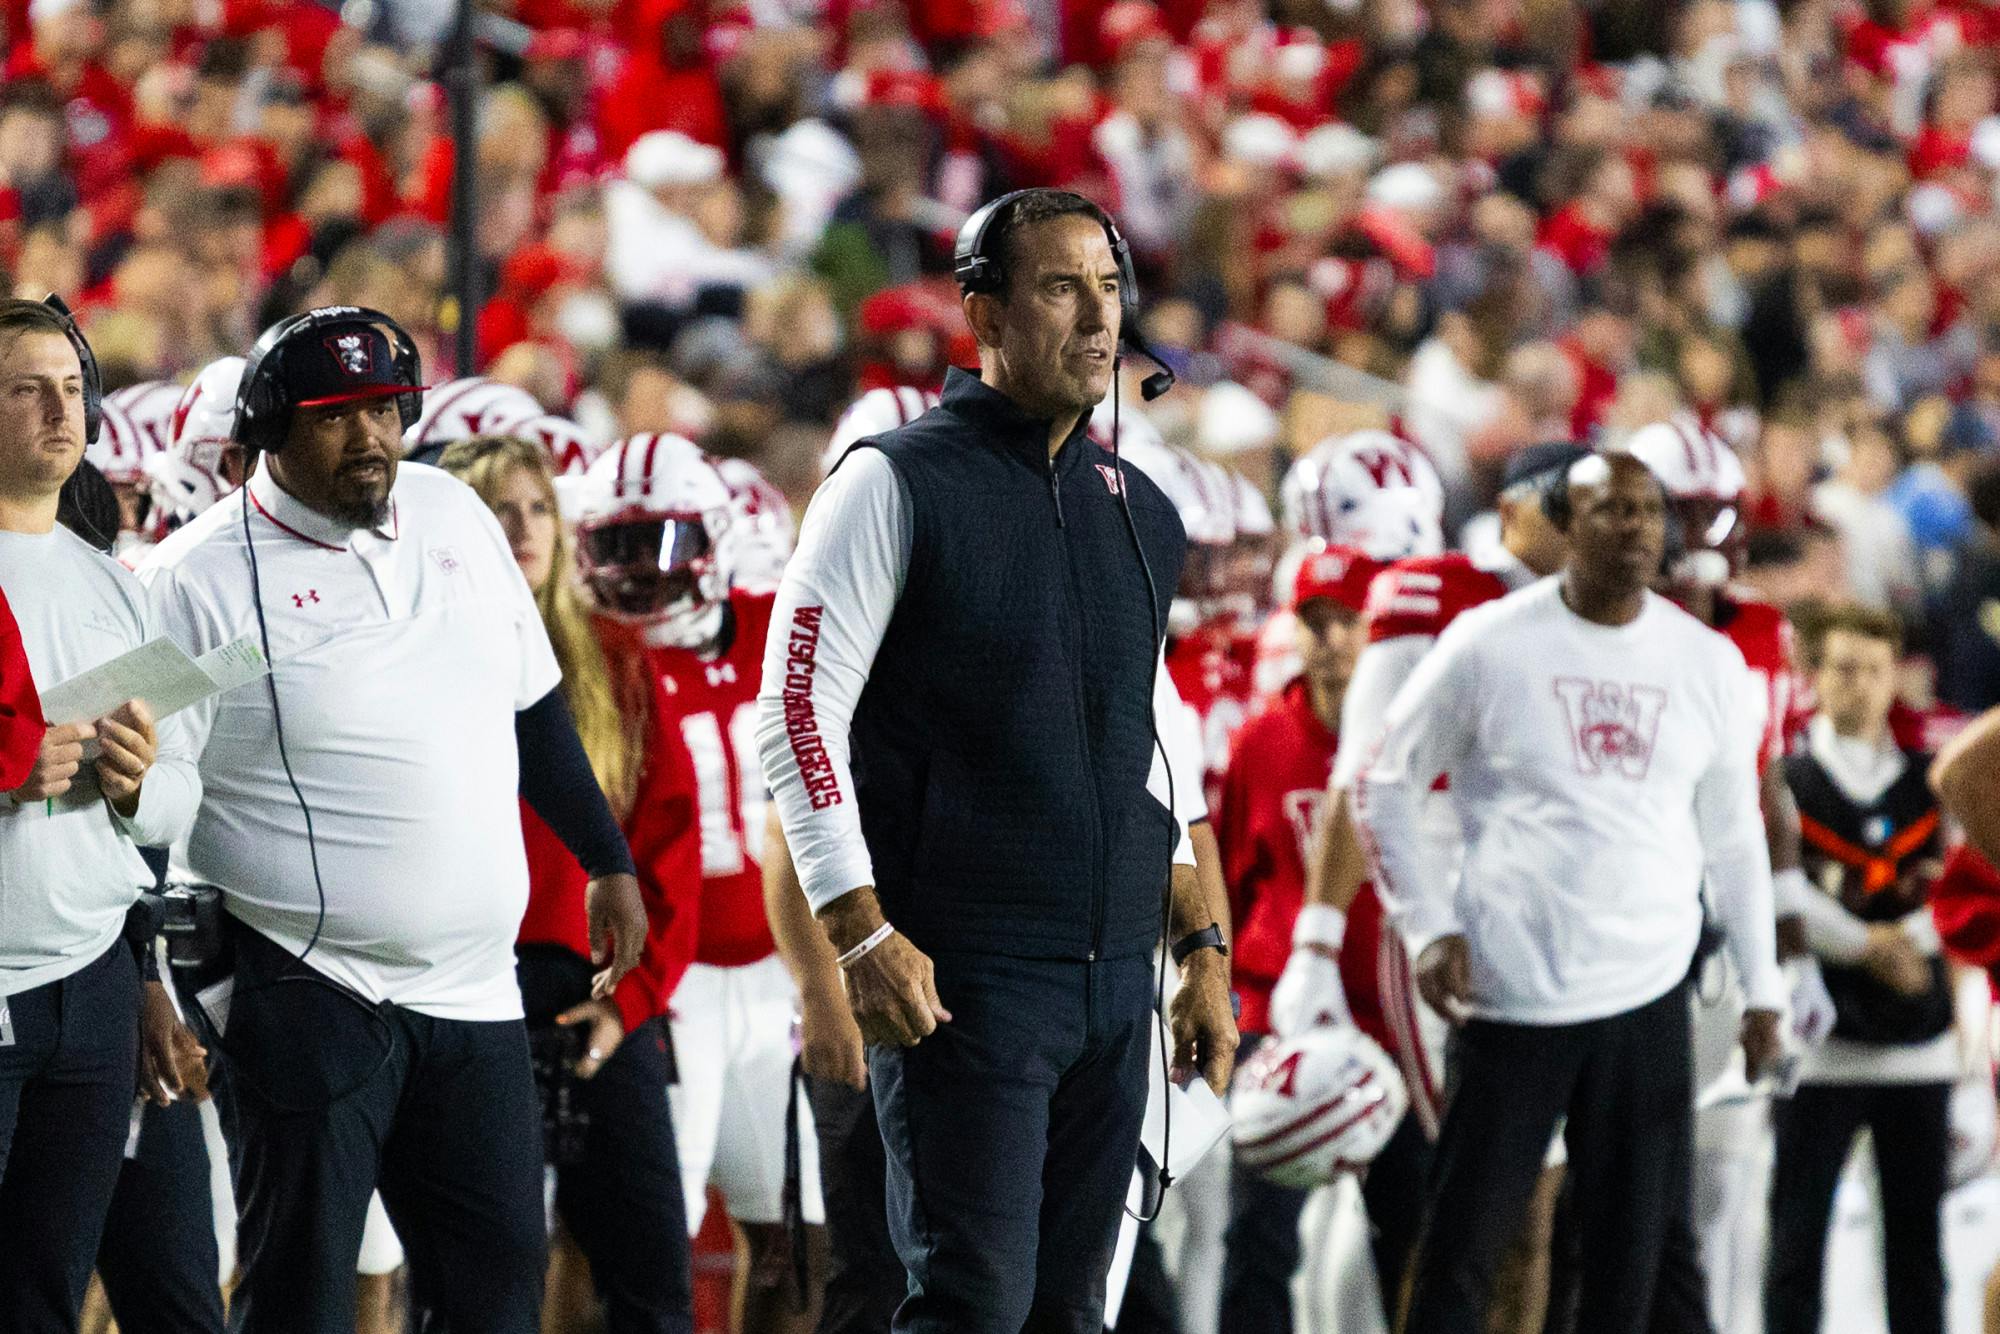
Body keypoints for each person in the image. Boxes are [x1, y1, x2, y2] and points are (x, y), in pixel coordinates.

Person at [755, 188, 1237, 1333]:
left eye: (1109, 288)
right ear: (981, 312)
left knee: (1071, 1311)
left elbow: (1149, 750)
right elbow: (795, 711)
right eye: (1062, 288)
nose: (1098, 318)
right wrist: (857, 931)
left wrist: (1201, 948)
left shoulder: (1142, 510)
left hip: (1112, 982)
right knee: (971, 1303)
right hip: (963, 976)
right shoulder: (890, 480)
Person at [137, 306, 649, 1333]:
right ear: (269, 428)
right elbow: (131, 783)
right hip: (306, 982)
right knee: (302, 1295)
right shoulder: (192, 579)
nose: (369, 435)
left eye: (383, 409)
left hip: (475, 988)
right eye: (335, 416)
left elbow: (532, 701)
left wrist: (606, 857)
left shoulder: (454, 512)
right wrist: (145, 973)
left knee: (496, 1289)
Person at [1361, 452, 1784, 1334]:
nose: (1636, 528)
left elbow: (1735, 836)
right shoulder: (1488, 643)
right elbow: (1385, 784)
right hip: (1514, 995)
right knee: (1462, 1255)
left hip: (1650, 994)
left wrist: (1764, 987)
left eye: (1648, 510)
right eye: (1609, 510)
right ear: (1561, 525)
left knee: (1626, 1268)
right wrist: (1428, 927)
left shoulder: (1706, 661)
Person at [1258, 440, 1582, 1331]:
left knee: (1537, 1219)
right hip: (1446, 935)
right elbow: (1359, 781)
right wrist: (1316, 945)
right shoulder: (1431, 597)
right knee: (1468, 1213)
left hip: (1560, 939)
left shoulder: (1618, 620)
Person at [440, 433, 698, 1334]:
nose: (522, 527)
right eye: (498, 509)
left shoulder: (616, 656)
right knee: (477, 1287)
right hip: (459, 995)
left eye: (538, 508)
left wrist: (632, 1001)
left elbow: (668, 847)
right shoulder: (414, 654)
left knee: (653, 1281)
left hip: (596, 994)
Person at [576, 431, 827, 1333]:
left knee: (802, 1244)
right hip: (661, 979)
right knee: (634, 1247)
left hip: (774, 972)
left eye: (662, 542)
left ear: (717, 538)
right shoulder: (590, 657)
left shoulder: (779, 627)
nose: (639, 570)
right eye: (615, 545)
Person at [0, 296, 204, 1329]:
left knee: (45, 1293)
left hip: (89, 982)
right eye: (26, 389)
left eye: (72, 388)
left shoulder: (117, 586)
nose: (59, 410)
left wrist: (134, 782)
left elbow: (181, 793)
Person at [1215, 544, 1406, 1334]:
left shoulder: (1405, 734)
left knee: (1410, 1230)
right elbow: (1231, 880)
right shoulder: (1261, 741)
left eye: (1347, 619)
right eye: (1314, 620)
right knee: (1259, 1234)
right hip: (1279, 1015)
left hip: (1389, 1019)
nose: (1330, 638)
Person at [1766, 605, 1953, 1334]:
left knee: (1918, 1251)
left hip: (1920, 1044)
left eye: (1876, 670)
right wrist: (1868, 946)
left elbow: (1961, 885)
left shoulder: (1932, 782)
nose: (1863, 685)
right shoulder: (1786, 780)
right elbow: (1778, 890)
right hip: (1821, 1049)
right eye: (1845, 669)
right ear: (1812, 676)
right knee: (1796, 1245)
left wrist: (1911, 939)